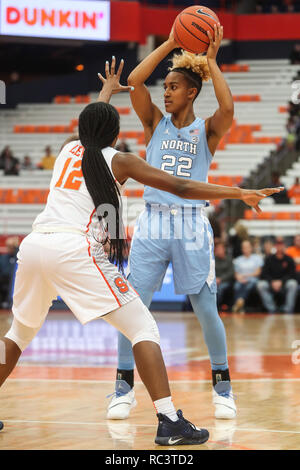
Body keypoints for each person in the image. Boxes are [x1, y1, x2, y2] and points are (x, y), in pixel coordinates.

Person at [0, 58, 280, 443]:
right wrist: (238, 192)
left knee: (18, 333)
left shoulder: (68, 150)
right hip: (75, 248)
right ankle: (167, 419)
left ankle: (219, 386)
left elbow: (91, 123)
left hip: (34, 246)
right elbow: (179, 186)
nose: (164, 93)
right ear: (116, 135)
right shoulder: (121, 160)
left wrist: (104, 95)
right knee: (143, 326)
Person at [106, 24, 282, 422]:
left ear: (191, 92)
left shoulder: (206, 130)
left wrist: (212, 62)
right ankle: (122, 386)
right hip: (152, 222)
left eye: (172, 86)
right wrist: (170, 42)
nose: (165, 91)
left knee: (206, 310)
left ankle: (223, 387)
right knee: (132, 307)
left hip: (190, 225)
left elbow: (228, 110)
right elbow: (135, 81)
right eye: (164, 85)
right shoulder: (153, 123)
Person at [257, 237, 298, 313]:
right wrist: (272, 282)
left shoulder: (289, 259)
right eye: (278, 245)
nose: (280, 247)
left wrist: (281, 282)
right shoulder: (269, 259)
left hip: (284, 283)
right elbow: (264, 274)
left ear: (284, 246)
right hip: (271, 283)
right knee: (261, 285)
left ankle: (288, 309)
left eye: (281, 245)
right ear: (275, 246)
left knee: (293, 284)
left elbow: (292, 274)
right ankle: (272, 309)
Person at [232, 240, 263, 313]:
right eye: (244, 247)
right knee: (237, 286)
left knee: (249, 284)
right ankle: (240, 305)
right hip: (241, 279)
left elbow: (258, 272)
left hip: (253, 278)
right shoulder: (238, 260)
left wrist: (246, 276)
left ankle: (239, 302)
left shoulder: (257, 258)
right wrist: (239, 278)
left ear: (251, 248)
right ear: (242, 249)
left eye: (247, 247)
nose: (246, 249)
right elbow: (236, 273)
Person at [0, 237, 19, 309]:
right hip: (3, 283)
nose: (9, 248)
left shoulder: (18, 258)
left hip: (14, 284)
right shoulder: (2, 258)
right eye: (8, 246)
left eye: (12, 247)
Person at [214, 241, 234, 310]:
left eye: (220, 249)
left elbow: (231, 273)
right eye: (217, 249)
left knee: (220, 288)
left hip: (225, 281)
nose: (219, 250)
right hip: (214, 281)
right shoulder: (213, 259)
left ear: (224, 249)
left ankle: (215, 307)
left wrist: (221, 279)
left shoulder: (229, 259)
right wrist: (214, 279)